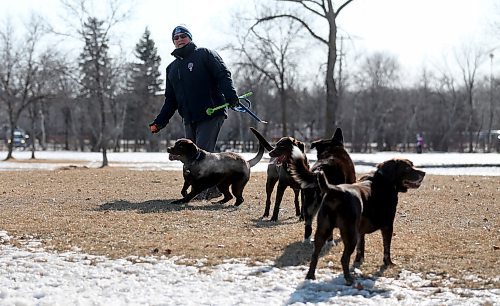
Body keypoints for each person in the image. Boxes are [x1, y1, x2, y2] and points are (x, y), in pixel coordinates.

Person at [149, 25, 240, 199]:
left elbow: (223, 74)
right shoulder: (171, 69)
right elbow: (170, 100)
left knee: (202, 153)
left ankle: (200, 192)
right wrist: (159, 122)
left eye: (183, 35)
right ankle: (213, 189)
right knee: (189, 157)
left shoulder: (204, 54)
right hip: (189, 118)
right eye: (176, 38)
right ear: (173, 42)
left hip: (211, 113)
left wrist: (231, 96)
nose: (180, 39)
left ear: (189, 37)